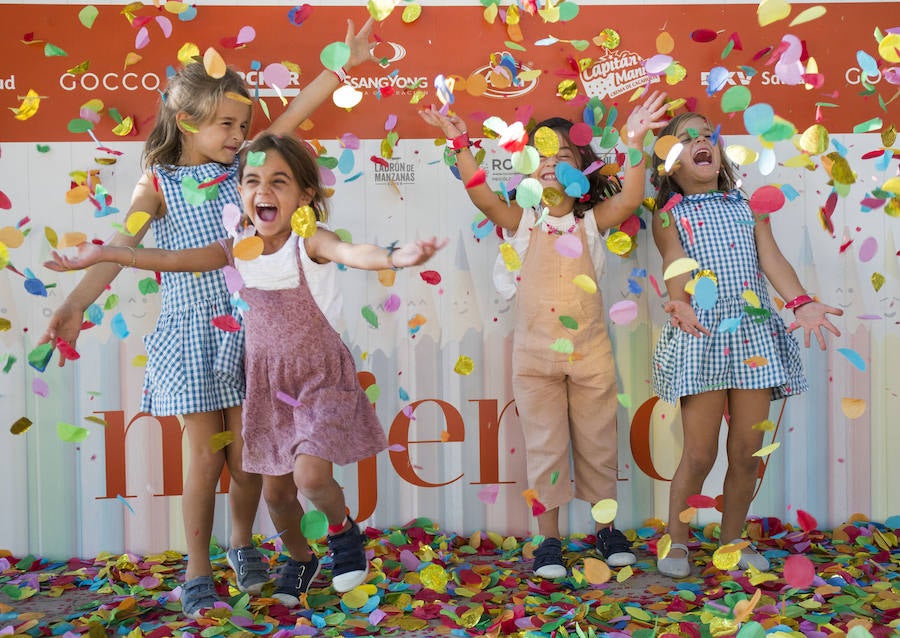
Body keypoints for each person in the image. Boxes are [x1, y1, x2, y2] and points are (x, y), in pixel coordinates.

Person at [37, 18, 382, 618]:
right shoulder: (159, 182)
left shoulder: (245, 169)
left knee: (250, 459)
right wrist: (74, 305)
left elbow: (295, 112)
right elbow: (124, 245)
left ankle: (244, 547)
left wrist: (342, 66)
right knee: (205, 457)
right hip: (194, 334)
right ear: (187, 119)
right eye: (227, 123)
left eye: (243, 125)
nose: (238, 134)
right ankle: (198, 570)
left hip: (253, 333)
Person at [45, 132, 448, 605]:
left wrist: (395, 257)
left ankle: (342, 533)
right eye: (253, 180)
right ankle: (301, 557)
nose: (264, 191)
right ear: (239, 193)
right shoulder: (236, 246)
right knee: (276, 495)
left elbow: (350, 252)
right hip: (267, 386)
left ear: (305, 196)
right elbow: (172, 259)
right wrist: (107, 253)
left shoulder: (310, 241)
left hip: (318, 380)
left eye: (280, 181)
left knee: (311, 478)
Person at [419, 91, 670, 578]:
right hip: (534, 363)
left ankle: (606, 529)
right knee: (545, 447)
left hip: (591, 356)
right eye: (542, 155)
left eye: (565, 157)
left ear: (585, 176)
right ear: (527, 171)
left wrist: (636, 141)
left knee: (599, 443)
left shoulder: (591, 224)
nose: (552, 164)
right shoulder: (521, 223)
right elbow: (481, 195)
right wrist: (460, 143)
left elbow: (633, 196)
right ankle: (548, 539)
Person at [648, 112, 842, 578]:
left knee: (746, 452)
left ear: (718, 152)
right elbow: (674, 259)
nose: (700, 142)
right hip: (703, 332)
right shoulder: (668, 212)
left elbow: (770, 258)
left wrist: (800, 302)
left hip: (753, 332)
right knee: (699, 454)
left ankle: (731, 539)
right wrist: (679, 302)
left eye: (706, 136)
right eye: (686, 138)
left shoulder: (747, 204)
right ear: (671, 163)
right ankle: (676, 541)